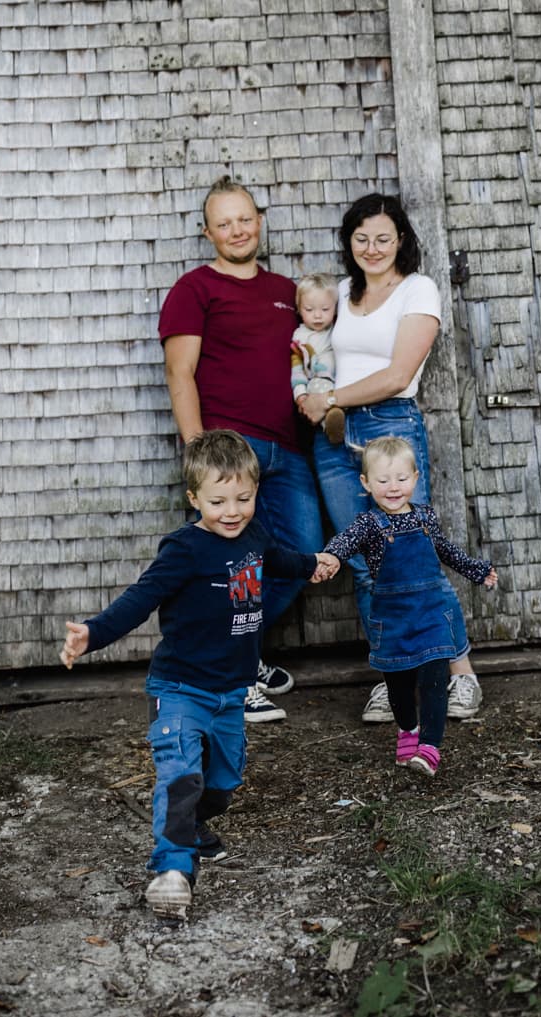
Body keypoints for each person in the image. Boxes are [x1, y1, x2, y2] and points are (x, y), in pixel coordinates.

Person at [59, 430, 340, 919]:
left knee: (223, 781)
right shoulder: (185, 550)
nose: (232, 511)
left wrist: (312, 563)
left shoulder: (252, 536)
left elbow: (279, 560)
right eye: (217, 501)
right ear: (194, 498)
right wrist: (93, 633)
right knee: (181, 774)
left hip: (231, 691)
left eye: (243, 498)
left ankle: (191, 825)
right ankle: (172, 870)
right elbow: (140, 599)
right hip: (180, 689)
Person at [296, 192, 487, 724]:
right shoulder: (338, 293)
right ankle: (393, 676)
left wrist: (329, 397)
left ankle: (461, 675)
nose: (373, 248)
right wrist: (308, 391)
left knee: (415, 557)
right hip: (335, 441)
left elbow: (400, 374)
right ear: (348, 243)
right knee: (364, 563)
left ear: (400, 238)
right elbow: (311, 350)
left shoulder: (417, 289)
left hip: (390, 426)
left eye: (383, 237)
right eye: (361, 239)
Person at [159, 176, 325, 722]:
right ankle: (228, 672)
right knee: (231, 564)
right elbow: (180, 374)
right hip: (232, 450)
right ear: (207, 232)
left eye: (244, 218)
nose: (236, 230)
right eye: (224, 222)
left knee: (298, 555)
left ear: (260, 221)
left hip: (288, 450)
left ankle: (243, 653)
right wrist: (199, 454)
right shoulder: (195, 288)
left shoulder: (285, 291)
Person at [322, 436, 497, 776]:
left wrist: (476, 570)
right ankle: (408, 729)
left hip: (431, 614)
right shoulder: (368, 524)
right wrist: (330, 557)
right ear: (366, 483)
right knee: (399, 686)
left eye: (401, 479)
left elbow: (446, 551)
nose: (393, 487)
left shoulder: (425, 517)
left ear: (415, 479)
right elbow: (344, 541)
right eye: (383, 480)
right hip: (394, 618)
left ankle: (430, 747)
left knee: (433, 679)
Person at [289, 272, 345, 444]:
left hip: (341, 385)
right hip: (316, 386)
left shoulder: (339, 329)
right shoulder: (299, 338)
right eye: (309, 310)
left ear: (335, 308)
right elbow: (297, 370)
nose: (318, 315)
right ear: (299, 308)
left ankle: (337, 418)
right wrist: (300, 394)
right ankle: (331, 424)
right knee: (315, 387)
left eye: (325, 309)